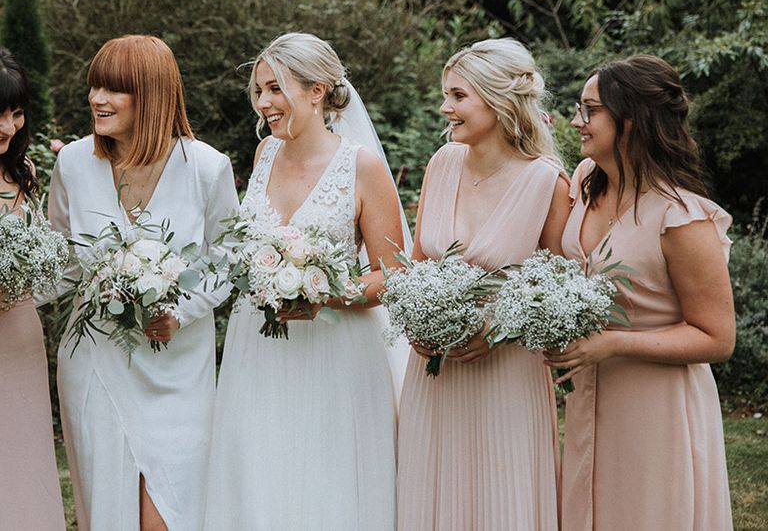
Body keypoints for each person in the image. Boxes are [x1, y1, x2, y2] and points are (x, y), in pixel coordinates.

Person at [204, 32, 406, 530]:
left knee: (328, 482)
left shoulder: (361, 166)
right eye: (258, 90)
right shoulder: (264, 155)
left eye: (275, 88)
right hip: (259, 347)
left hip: (336, 352)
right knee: (258, 469)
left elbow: (394, 275)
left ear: (317, 91)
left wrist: (328, 294)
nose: (263, 103)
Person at [48, 35, 239, 531]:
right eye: (94, 86)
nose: (96, 99)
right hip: (95, 362)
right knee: (107, 508)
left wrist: (182, 310)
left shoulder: (206, 168)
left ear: (151, 95)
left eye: (113, 89)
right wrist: (13, 291)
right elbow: (63, 262)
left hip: (176, 368)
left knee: (169, 512)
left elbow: (228, 258)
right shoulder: (72, 162)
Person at [545, 55, 735, 530]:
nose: (576, 121)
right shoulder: (588, 181)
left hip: (658, 407)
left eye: (590, 110)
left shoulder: (682, 219)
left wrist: (614, 343)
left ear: (629, 121)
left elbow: (717, 337)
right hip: (590, 395)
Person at [397, 38, 571, 531]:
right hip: (433, 372)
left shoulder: (546, 182)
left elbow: (557, 290)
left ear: (498, 101)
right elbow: (416, 264)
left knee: (502, 498)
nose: (444, 107)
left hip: (505, 374)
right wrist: (415, 320)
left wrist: (498, 329)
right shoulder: (442, 163)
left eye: (457, 96)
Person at [0, 49, 66, 531]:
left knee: (22, 454)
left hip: (20, 337)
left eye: (16, 112)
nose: (8, 125)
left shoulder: (24, 174)